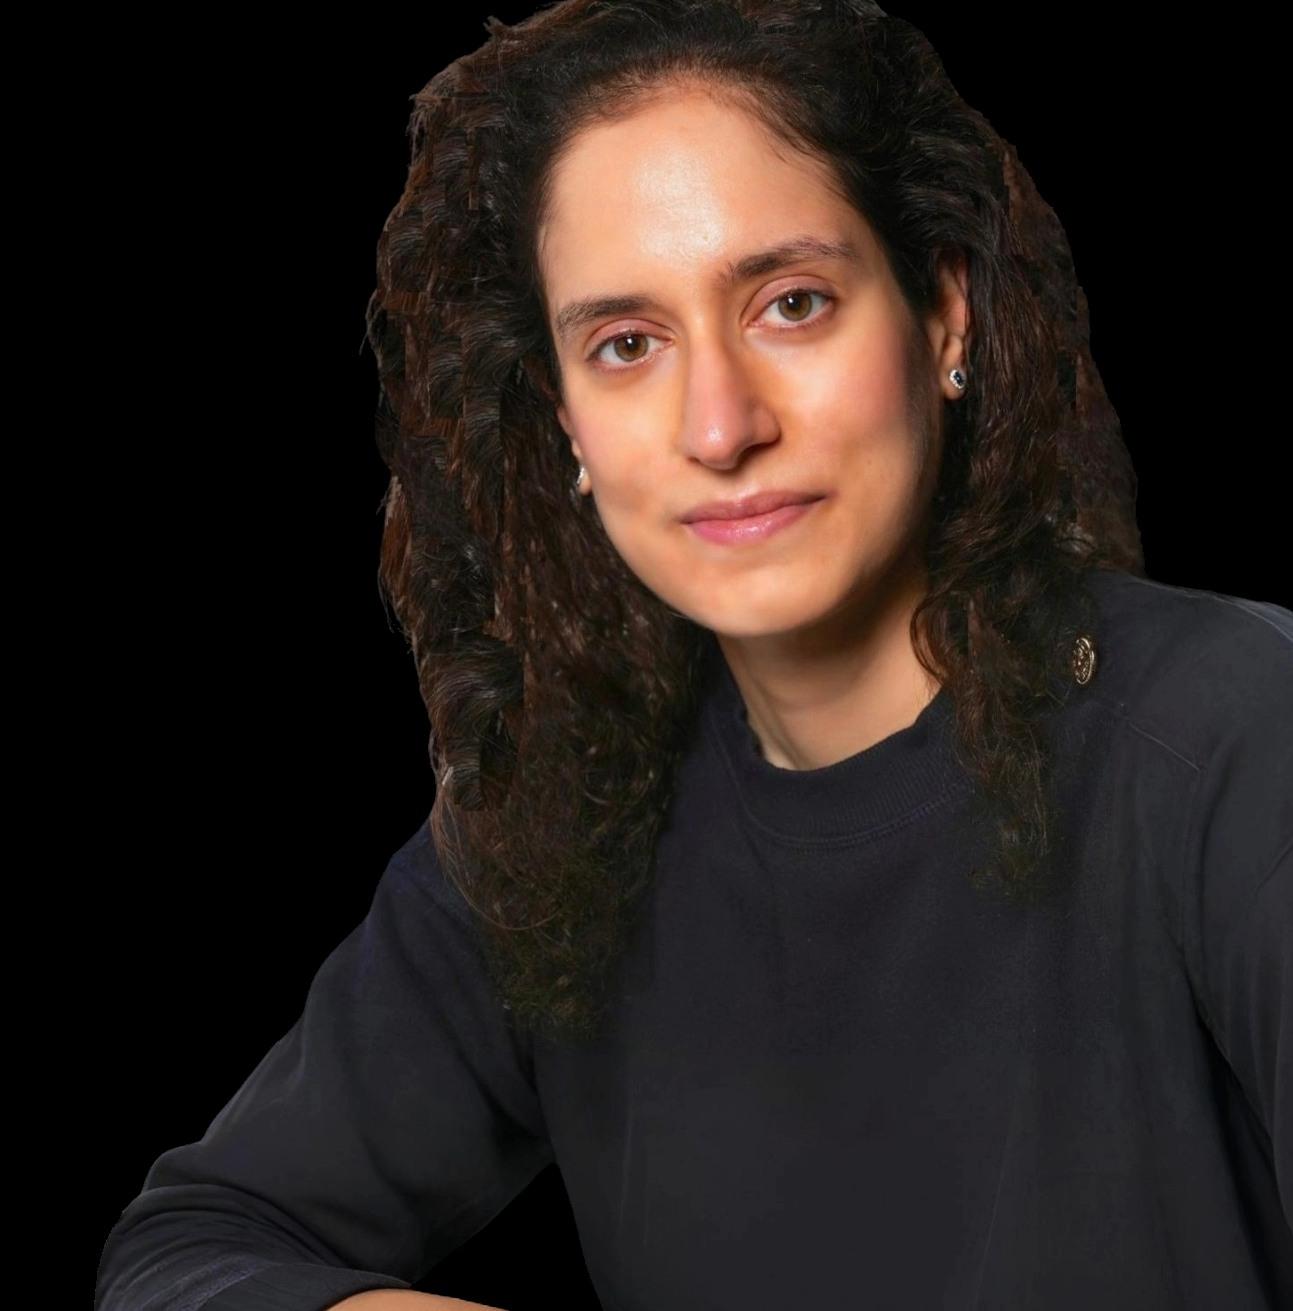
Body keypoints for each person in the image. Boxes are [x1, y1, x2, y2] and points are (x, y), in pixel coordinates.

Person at [96, 1, 1292, 1308]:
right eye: (626, 345)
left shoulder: (1235, 739)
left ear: (944, 316)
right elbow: (184, 1257)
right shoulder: (566, 818)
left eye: (791, 304)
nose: (718, 428)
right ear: (566, 419)